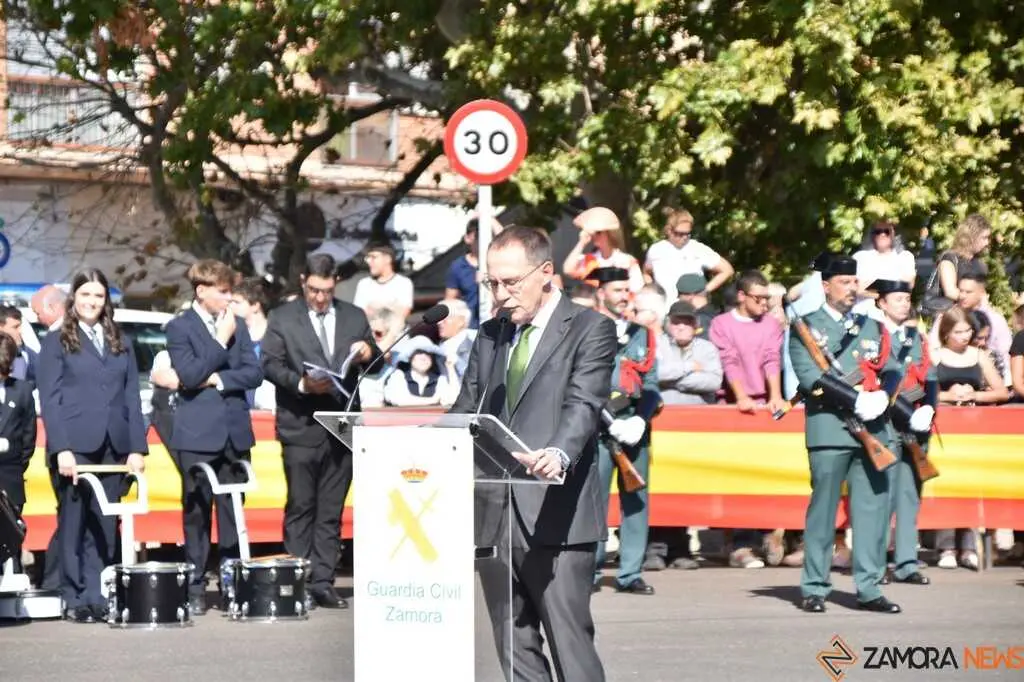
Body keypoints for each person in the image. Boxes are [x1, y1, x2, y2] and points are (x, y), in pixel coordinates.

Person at [450, 226, 616, 681]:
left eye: (511, 282)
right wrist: (415, 444)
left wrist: (558, 453)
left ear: (545, 272)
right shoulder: (491, 335)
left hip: (555, 512)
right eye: (492, 283)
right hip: (494, 513)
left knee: (570, 647)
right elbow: (466, 409)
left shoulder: (590, 328)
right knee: (514, 650)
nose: (500, 294)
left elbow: (584, 404)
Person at [787, 254, 902, 614]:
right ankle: (815, 586)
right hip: (830, 429)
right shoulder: (806, 327)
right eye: (844, 282)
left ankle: (869, 587)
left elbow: (893, 368)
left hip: (873, 429)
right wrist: (857, 400)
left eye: (854, 282)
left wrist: (882, 396)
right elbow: (811, 378)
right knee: (823, 511)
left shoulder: (873, 327)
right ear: (826, 286)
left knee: (872, 511)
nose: (852, 288)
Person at [260, 253, 376, 609]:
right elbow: (269, 364)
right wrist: (301, 384)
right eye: (313, 290)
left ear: (335, 283)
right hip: (300, 425)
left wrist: (367, 352)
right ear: (303, 282)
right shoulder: (282, 317)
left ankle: (323, 582)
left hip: (341, 427)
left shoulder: (354, 316)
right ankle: (298, 581)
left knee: (331, 509)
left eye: (326, 291)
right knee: (301, 505)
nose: (320, 298)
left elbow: (376, 361)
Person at [37, 269, 147, 623]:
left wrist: (137, 448)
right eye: (85, 294)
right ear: (74, 298)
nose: (92, 302)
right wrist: (61, 448)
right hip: (74, 445)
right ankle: (73, 596)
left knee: (104, 523)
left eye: (98, 296)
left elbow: (132, 396)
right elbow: (50, 400)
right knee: (73, 522)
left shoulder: (120, 339)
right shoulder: (57, 340)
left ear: (106, 300)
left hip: (114, 445)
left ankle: (97, 594)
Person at [165, 259, 264, 614]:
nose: (228, 299)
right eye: (223, 292)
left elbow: (254, 373)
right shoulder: (179, 327)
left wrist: (219, 379)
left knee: (233, 510)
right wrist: (220, 342)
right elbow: (190, 375)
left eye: (230, 292)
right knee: (196, 512)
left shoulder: (238, 324)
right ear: (201, 291)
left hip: (234, 432)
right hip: (197, 434)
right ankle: (194, 583)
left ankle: (232, 580)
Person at [586, 266, 660, 596]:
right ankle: (590, 569)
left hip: (634, 425)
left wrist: (640, 419)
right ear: (600, 293)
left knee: (637, 500)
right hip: (598, 427)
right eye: (617, 290)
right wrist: (610, 422)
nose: (624, 296)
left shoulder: (641, 334)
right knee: (594, 502)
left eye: (627, 290)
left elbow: (652, 384)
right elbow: (581, 385)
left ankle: (630, 573)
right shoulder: (585, 331)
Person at [867, 279, 935, 586]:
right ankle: (876, 563)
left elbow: (930, 376)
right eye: (897, 298)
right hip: (887, 422)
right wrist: (908, 414)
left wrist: (929, 407)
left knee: (910, 496)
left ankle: (907, 562)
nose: (904, 303)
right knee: (883, 496)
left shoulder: (916, 337)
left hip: (916, 425)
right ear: (881, 302)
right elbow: (875, 382)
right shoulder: (871, 335)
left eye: (907, 299)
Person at [0, 332, 37, 574]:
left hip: (10, 477)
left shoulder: (22, 391)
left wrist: (15, 465)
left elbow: (28, 436)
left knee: (10, 540)